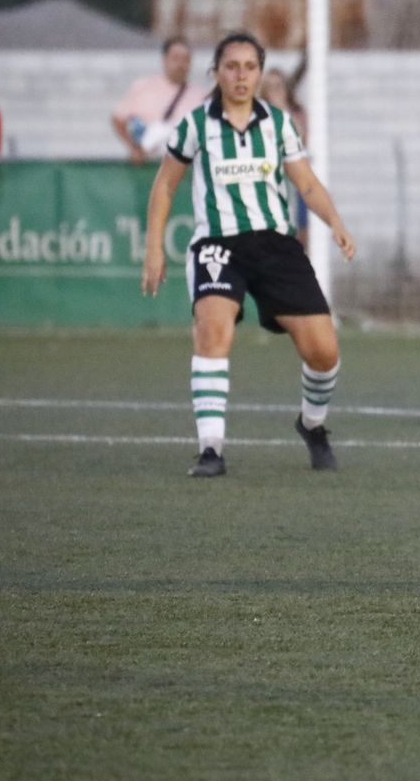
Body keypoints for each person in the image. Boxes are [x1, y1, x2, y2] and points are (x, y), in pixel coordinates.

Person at [140, 31, 358, 478]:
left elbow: (306, 183)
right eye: (232, 67)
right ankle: (211, 450)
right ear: (216, 73)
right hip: (218, 246)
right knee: (213, 331)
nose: (241, 76)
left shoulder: (279, 124)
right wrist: (153, 248)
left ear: (260, 74)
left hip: (275, 245)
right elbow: (165, 185)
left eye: (249, 67)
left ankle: (312, 425)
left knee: (323, 352)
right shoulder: (195, 125)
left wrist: (335, 222)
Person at [114, 35, 209, 164]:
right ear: (165, 60)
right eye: (175, 58)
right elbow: (118, 119)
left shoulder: (201, 97)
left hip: (182, 166)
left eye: (186, 59)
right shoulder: (143, 87)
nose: (181, 64)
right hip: (147, 163)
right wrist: (133, 148)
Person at [260, 60, 310, 247]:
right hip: (268, 180)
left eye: (279, 86)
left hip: (295, 180)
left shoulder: (297, 113)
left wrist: (282, 107)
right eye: (271, 87)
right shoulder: (258, 115)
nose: (275, 91)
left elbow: (300, 140)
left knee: (302, 231)